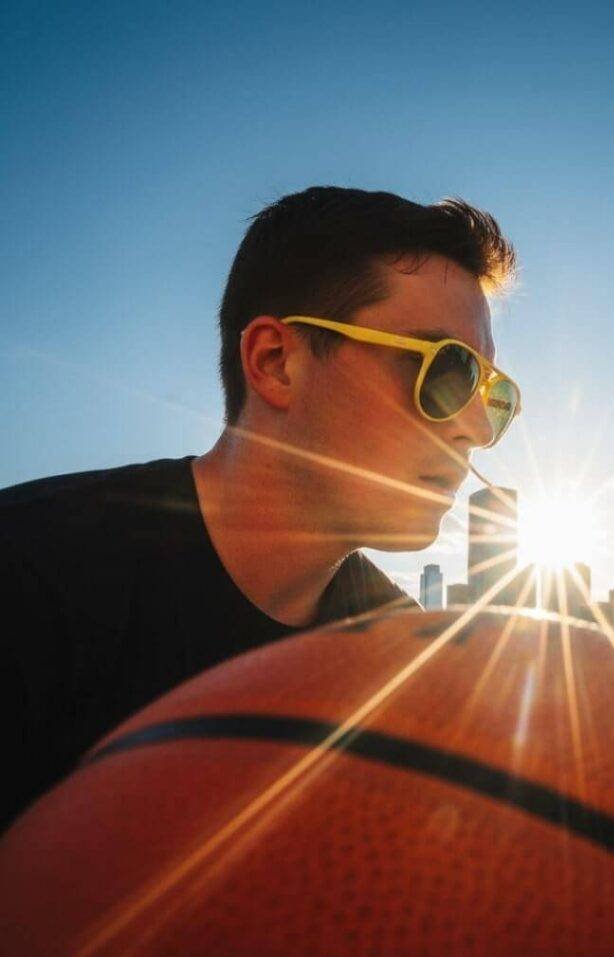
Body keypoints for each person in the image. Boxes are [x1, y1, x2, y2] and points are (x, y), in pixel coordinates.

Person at [2, 187, 520, 828]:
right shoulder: (30, 575)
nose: (475, 426)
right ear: (275, 362)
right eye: (449, 373)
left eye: (492, 394)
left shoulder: (397, 656)